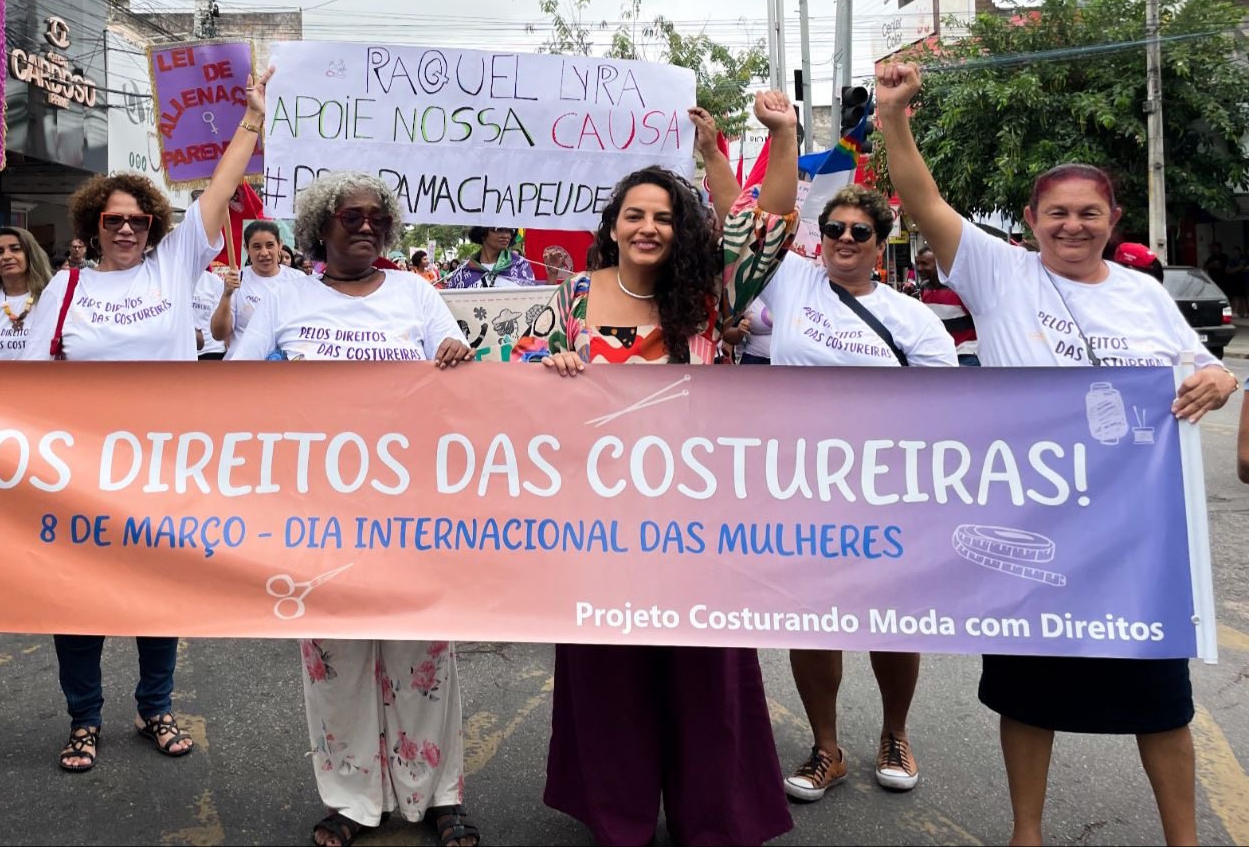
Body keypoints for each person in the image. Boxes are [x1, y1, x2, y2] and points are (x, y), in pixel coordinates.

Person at [878, 60, 1238, 846]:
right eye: (1056, 214)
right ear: (1031, 220)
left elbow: (1199, 368)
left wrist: (1217, 378)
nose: (1072, 226)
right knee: (1029, 694)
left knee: (1160, 696)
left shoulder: (1144, 295)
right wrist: (894, 117)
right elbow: (922, 199)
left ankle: (1186, 837)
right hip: (1032, 531)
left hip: (1137, 543)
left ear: (1113, 217)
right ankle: (1026, 832)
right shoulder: (1000, 275)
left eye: (1088, 213)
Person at [528, 94, 801, 846]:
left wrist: (782, 136)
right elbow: (512, 387)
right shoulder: (573, 298)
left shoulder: (709, 298)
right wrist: (541, 363)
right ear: (612, 224)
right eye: (635, 214)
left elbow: (768, 228)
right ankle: (619, 821)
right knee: (609, 684)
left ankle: (711, 819)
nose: (649, 227)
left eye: (664, 216)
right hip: (596, 528)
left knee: (704, 680)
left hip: (697, 526)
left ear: (679, 230)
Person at [24, 65, 271, 772]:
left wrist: (250, 120)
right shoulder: (66, 287)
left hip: (163, 468)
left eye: (138, 220)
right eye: (114, 220)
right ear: (93, 225)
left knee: (157, 594)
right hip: (78, 470)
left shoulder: (176, 264)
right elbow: (24, 384)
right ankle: (84, 719)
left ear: (155, 227)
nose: (127, 228)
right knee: (79, 602)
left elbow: (221, 189)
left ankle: (155, 706)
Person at [226, 170, 477, 847]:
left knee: (424, 655)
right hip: (319, 513)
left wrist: (456, 355)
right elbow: (233, 381)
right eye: (349, 216)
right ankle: (353, 797)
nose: (365, 226)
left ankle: (438, 795)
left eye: (375, 217)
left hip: (412, 510)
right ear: (319, 229)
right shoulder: (283, 296)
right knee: (333, 661)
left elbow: (458, 374)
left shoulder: (418, 296)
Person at [756, 185, 956, 804]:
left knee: (892, 621)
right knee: (812, 619)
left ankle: (894, 734)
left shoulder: (911, 318)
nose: (844, 239)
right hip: (799, 485)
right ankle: (827, 748)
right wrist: (769, 137)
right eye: (834, 229)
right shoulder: (791, 280)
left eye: (859, 232)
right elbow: (751, 220)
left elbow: (948, 405)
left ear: (879, 241)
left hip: (884, 491)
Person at [211, 220, 293, 351]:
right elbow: (218, 334)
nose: (264, 252)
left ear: (280, 245)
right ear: (246, 248)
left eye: (270, 245)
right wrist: (227, 295)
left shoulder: (297, 280)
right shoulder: (235, 281)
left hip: (285, 367)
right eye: (257, 246)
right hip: (243, 366)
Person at [0, 226, 55, 360]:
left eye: (15, 249)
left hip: (42, 379)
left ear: (31, 255)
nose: (7, 256)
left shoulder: (51, 297)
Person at [914, 245, 980, 365]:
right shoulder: (924, 288)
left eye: (925, 263)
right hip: (941, 355)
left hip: (965, 353)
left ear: (939, 264)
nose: (919, 268)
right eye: (917, 263)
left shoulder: (959, 288)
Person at [441, 226, 536, 288]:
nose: (506, 235)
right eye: (498, 229)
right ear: (482, 233)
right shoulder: (462, 273)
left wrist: (551, 277)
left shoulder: (521, 266)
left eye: (510, 231)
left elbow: (535, 302)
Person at [193, 268, 227, 360]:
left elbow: (223, 317)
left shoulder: (214, 281)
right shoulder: (171, 280)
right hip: (181, 350)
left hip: (211, 350)